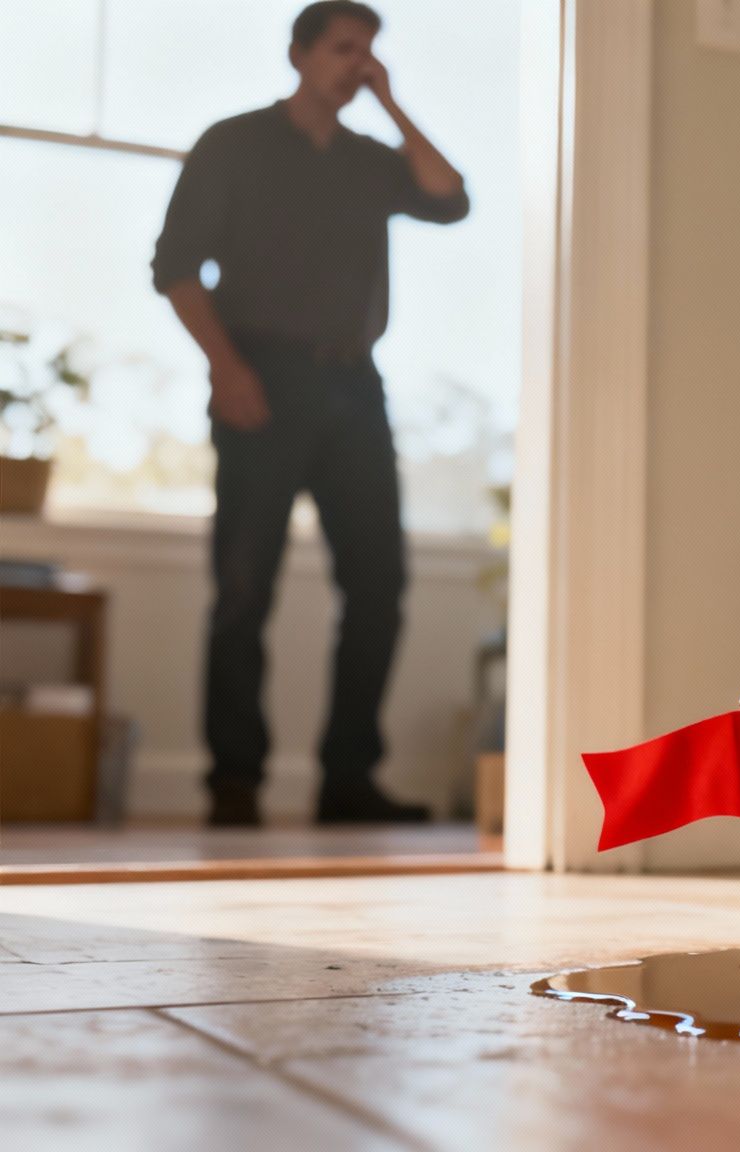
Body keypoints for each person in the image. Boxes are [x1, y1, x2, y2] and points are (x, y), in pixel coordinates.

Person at [150, 1, 468, 826]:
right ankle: (233, 784)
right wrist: (227, 368)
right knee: (244, 589)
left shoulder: (373, 160)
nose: (355, 63)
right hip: (260, 376)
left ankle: (349, 781)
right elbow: (176, 267)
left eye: (368, 51)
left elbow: (451, 198)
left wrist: (393, 105)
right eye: (341, 49)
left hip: (355, 386)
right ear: (297, 55)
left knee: (379, 587)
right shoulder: (234, 143)